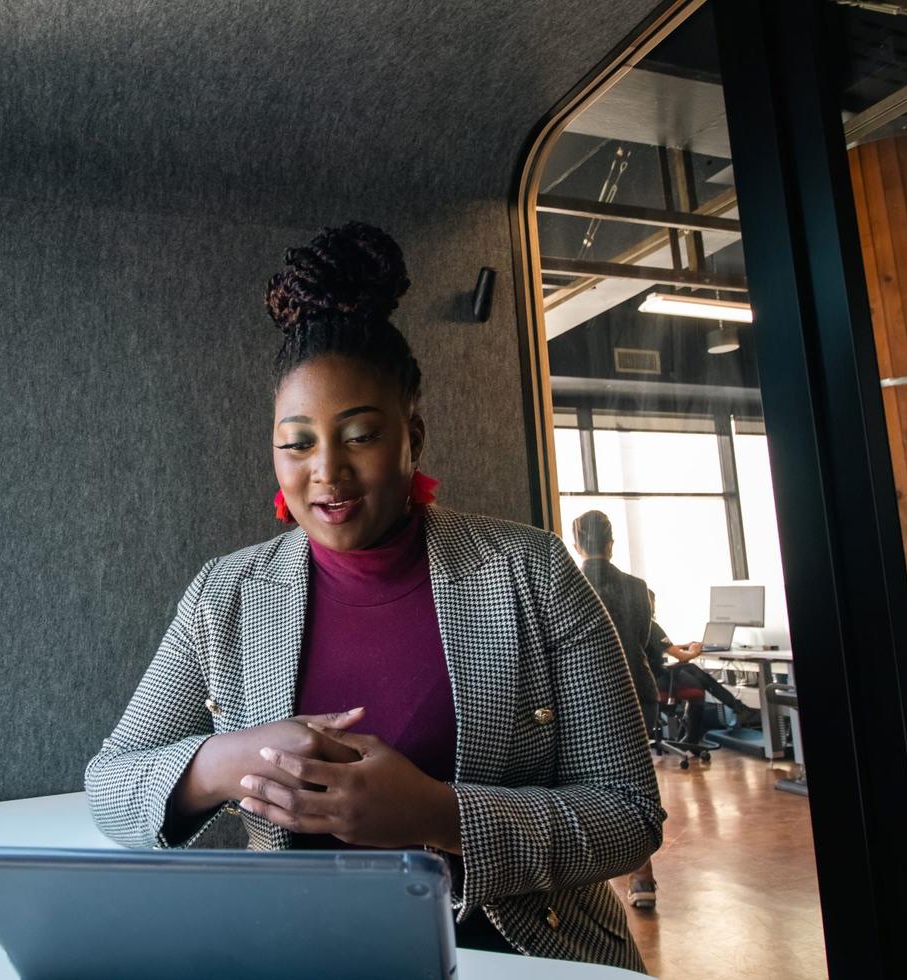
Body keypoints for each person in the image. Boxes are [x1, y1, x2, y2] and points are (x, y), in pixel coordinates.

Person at [85, 222, 664, 970]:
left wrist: (436, 813)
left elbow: (629, 812)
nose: (326, 471)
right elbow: (111, 787)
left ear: (410, 435)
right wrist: (235, 760)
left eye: (359, 435)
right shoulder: (223, 594)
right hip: (304, 954)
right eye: (297, 442)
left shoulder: (532, 571)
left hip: (521, 952)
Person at [570, 509, 758, 912]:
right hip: (639, 692)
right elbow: (649, 648)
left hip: (585, 694)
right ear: (612, 543)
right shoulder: (638, 588)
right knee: (633, 784)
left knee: (584, 786)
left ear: (576, 543)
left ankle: (589, 879)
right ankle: (642, 879)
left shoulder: (568, 582)